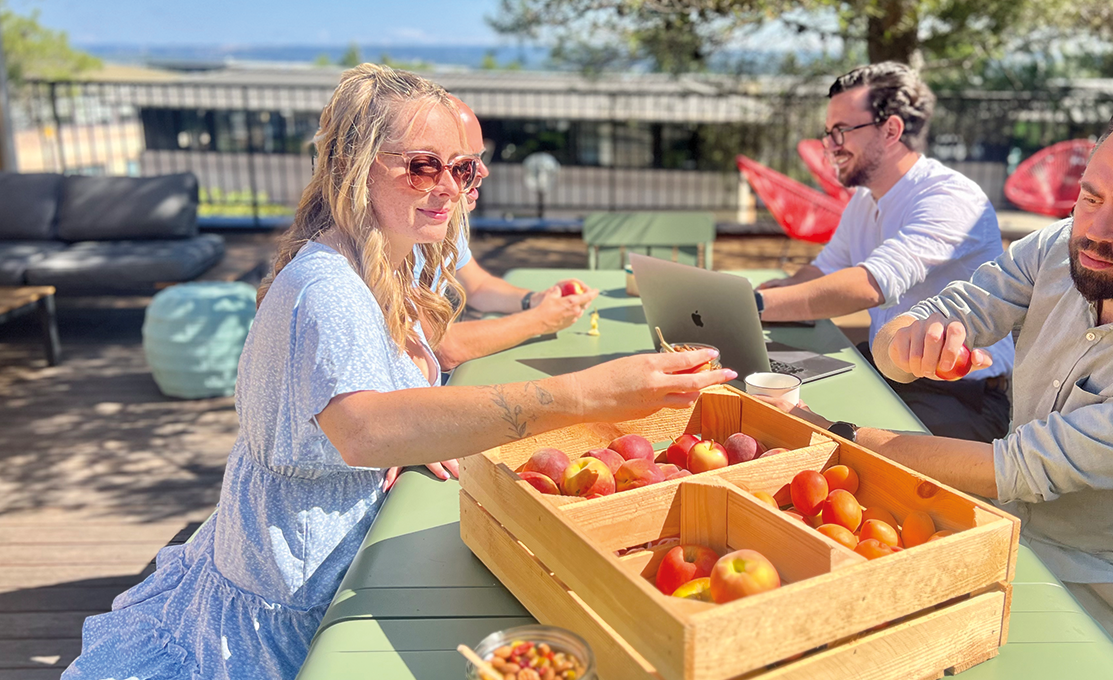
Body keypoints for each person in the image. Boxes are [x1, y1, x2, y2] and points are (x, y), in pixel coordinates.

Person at [62, 64, 733, 679]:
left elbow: (388, 393)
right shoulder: (327, 286)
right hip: (293, 590)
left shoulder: (383, 255)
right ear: (356, 165)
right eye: (422, 166)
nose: (449, 189)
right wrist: (584, 394)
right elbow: (361, 429)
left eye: (464, 171)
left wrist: (415, 429)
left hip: (331, 553)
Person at [761, 79, 1113, 663]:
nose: (1096, 232)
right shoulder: (1062, 245)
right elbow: (931, 316)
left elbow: (1016, 467)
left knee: (850, 633)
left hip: (1112, 591)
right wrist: (904, 346)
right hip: (1004, 527)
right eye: (1090, 197)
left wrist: (833, 434)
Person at [756, 63, 1014, 442]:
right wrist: (777, 289)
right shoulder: (865, 200)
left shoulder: (949, 197)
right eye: (828, 133)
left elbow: (869, 285)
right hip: (892, 373)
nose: (830, 145)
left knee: (812, 442)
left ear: (891, 130)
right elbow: (824, 269)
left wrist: (756, 305)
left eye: (842, 131)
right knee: (772, 409)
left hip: (961, 396)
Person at [428, 97, 599, 368]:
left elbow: (478, 286)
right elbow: (443, 348)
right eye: (463, 161)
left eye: (479, 158)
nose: (483, 171)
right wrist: (540, 320)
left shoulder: (445, 221)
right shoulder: (414, 228)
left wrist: (535, 301)